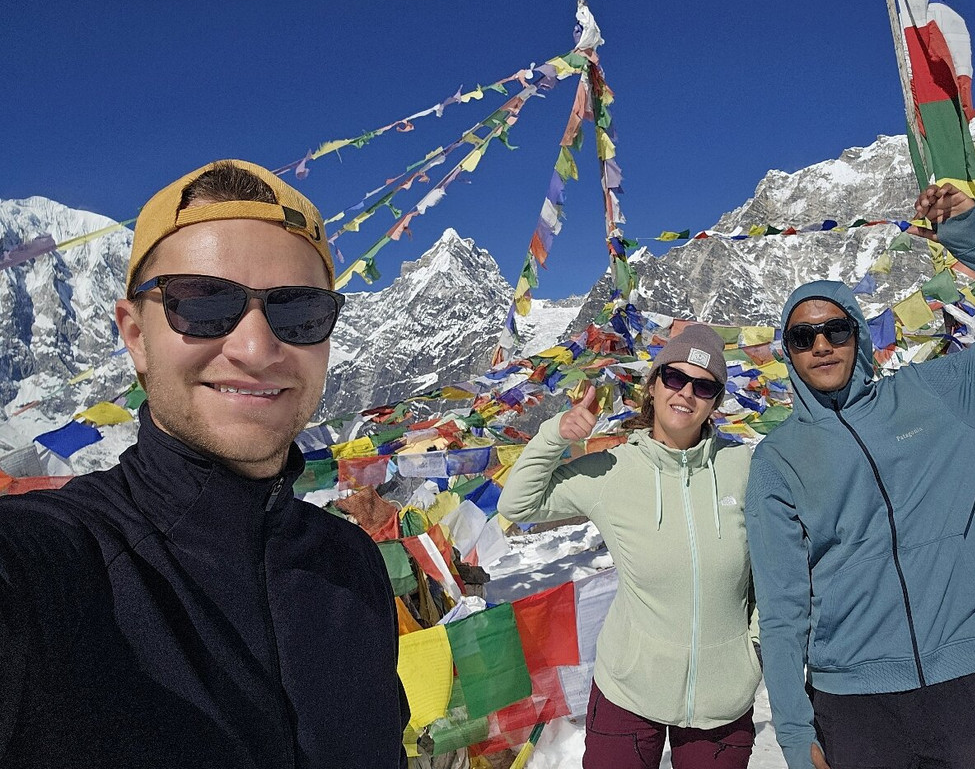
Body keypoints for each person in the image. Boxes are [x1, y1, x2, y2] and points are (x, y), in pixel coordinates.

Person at [0, 160, 408, 768]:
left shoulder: (351, 565)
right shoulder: (51, 566)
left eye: (298, 312)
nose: (256, 348)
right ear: (135, 335)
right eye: (202, 301)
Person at [745, 183, 975, 769]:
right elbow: (783, 604)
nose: (821, 345)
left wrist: (973, 235)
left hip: (955, 686)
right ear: (788, 352)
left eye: (836, 329)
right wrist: (795, 733)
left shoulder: (938, 395)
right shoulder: (778, 457)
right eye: (802, 337)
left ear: (859, 337)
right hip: (849, 700)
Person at [499, 324, 760, 769]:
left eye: (704, 386)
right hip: (628, 692)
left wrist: (753, 648)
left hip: (724, 700)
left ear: (715, 401)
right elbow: (519, 503)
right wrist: (555, 435)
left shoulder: (744, 467)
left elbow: (776, 568)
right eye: (675, 378)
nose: (686, 393)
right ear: (653, 386)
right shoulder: (613, 471)